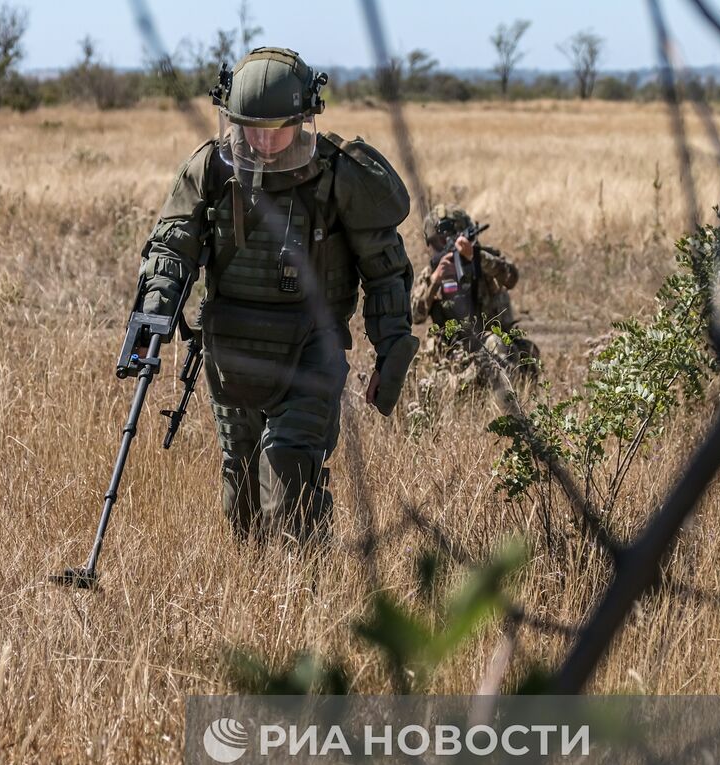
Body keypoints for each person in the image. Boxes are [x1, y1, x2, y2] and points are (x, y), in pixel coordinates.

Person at [131, 47, 416, 544]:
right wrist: (153, 318)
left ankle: (309, 598)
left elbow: (386, 270)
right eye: (250, 127)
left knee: (288, 479)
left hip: (312, 351)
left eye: (277, 127)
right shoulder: (212, 170)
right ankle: (261, 609)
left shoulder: (338, 175)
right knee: (241, 500)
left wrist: (391, 349)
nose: (263, 140)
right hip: (231, 354)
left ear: (304, 118)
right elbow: (170, 248)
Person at [416, 204, 539, 388]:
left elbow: (511, 278)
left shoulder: (484, 259)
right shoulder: (433, 272)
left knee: (507, 349)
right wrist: (435, 280)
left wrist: (476, 258)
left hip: (491, 339)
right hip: (451, 348)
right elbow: (416, 315)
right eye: (439, 242)